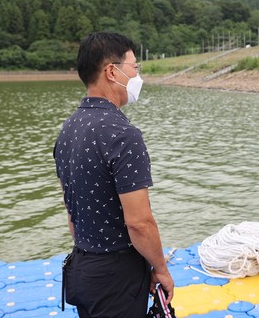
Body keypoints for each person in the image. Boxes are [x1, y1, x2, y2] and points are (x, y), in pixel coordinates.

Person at [53, 31, 174, 318]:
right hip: (116, 276)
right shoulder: (123, 134)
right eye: (134, 68)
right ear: (112, 72)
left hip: (83, 267)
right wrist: (160, 269)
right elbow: (140, 222)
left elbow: (72, 212)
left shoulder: (69, 129)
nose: (137, 76)